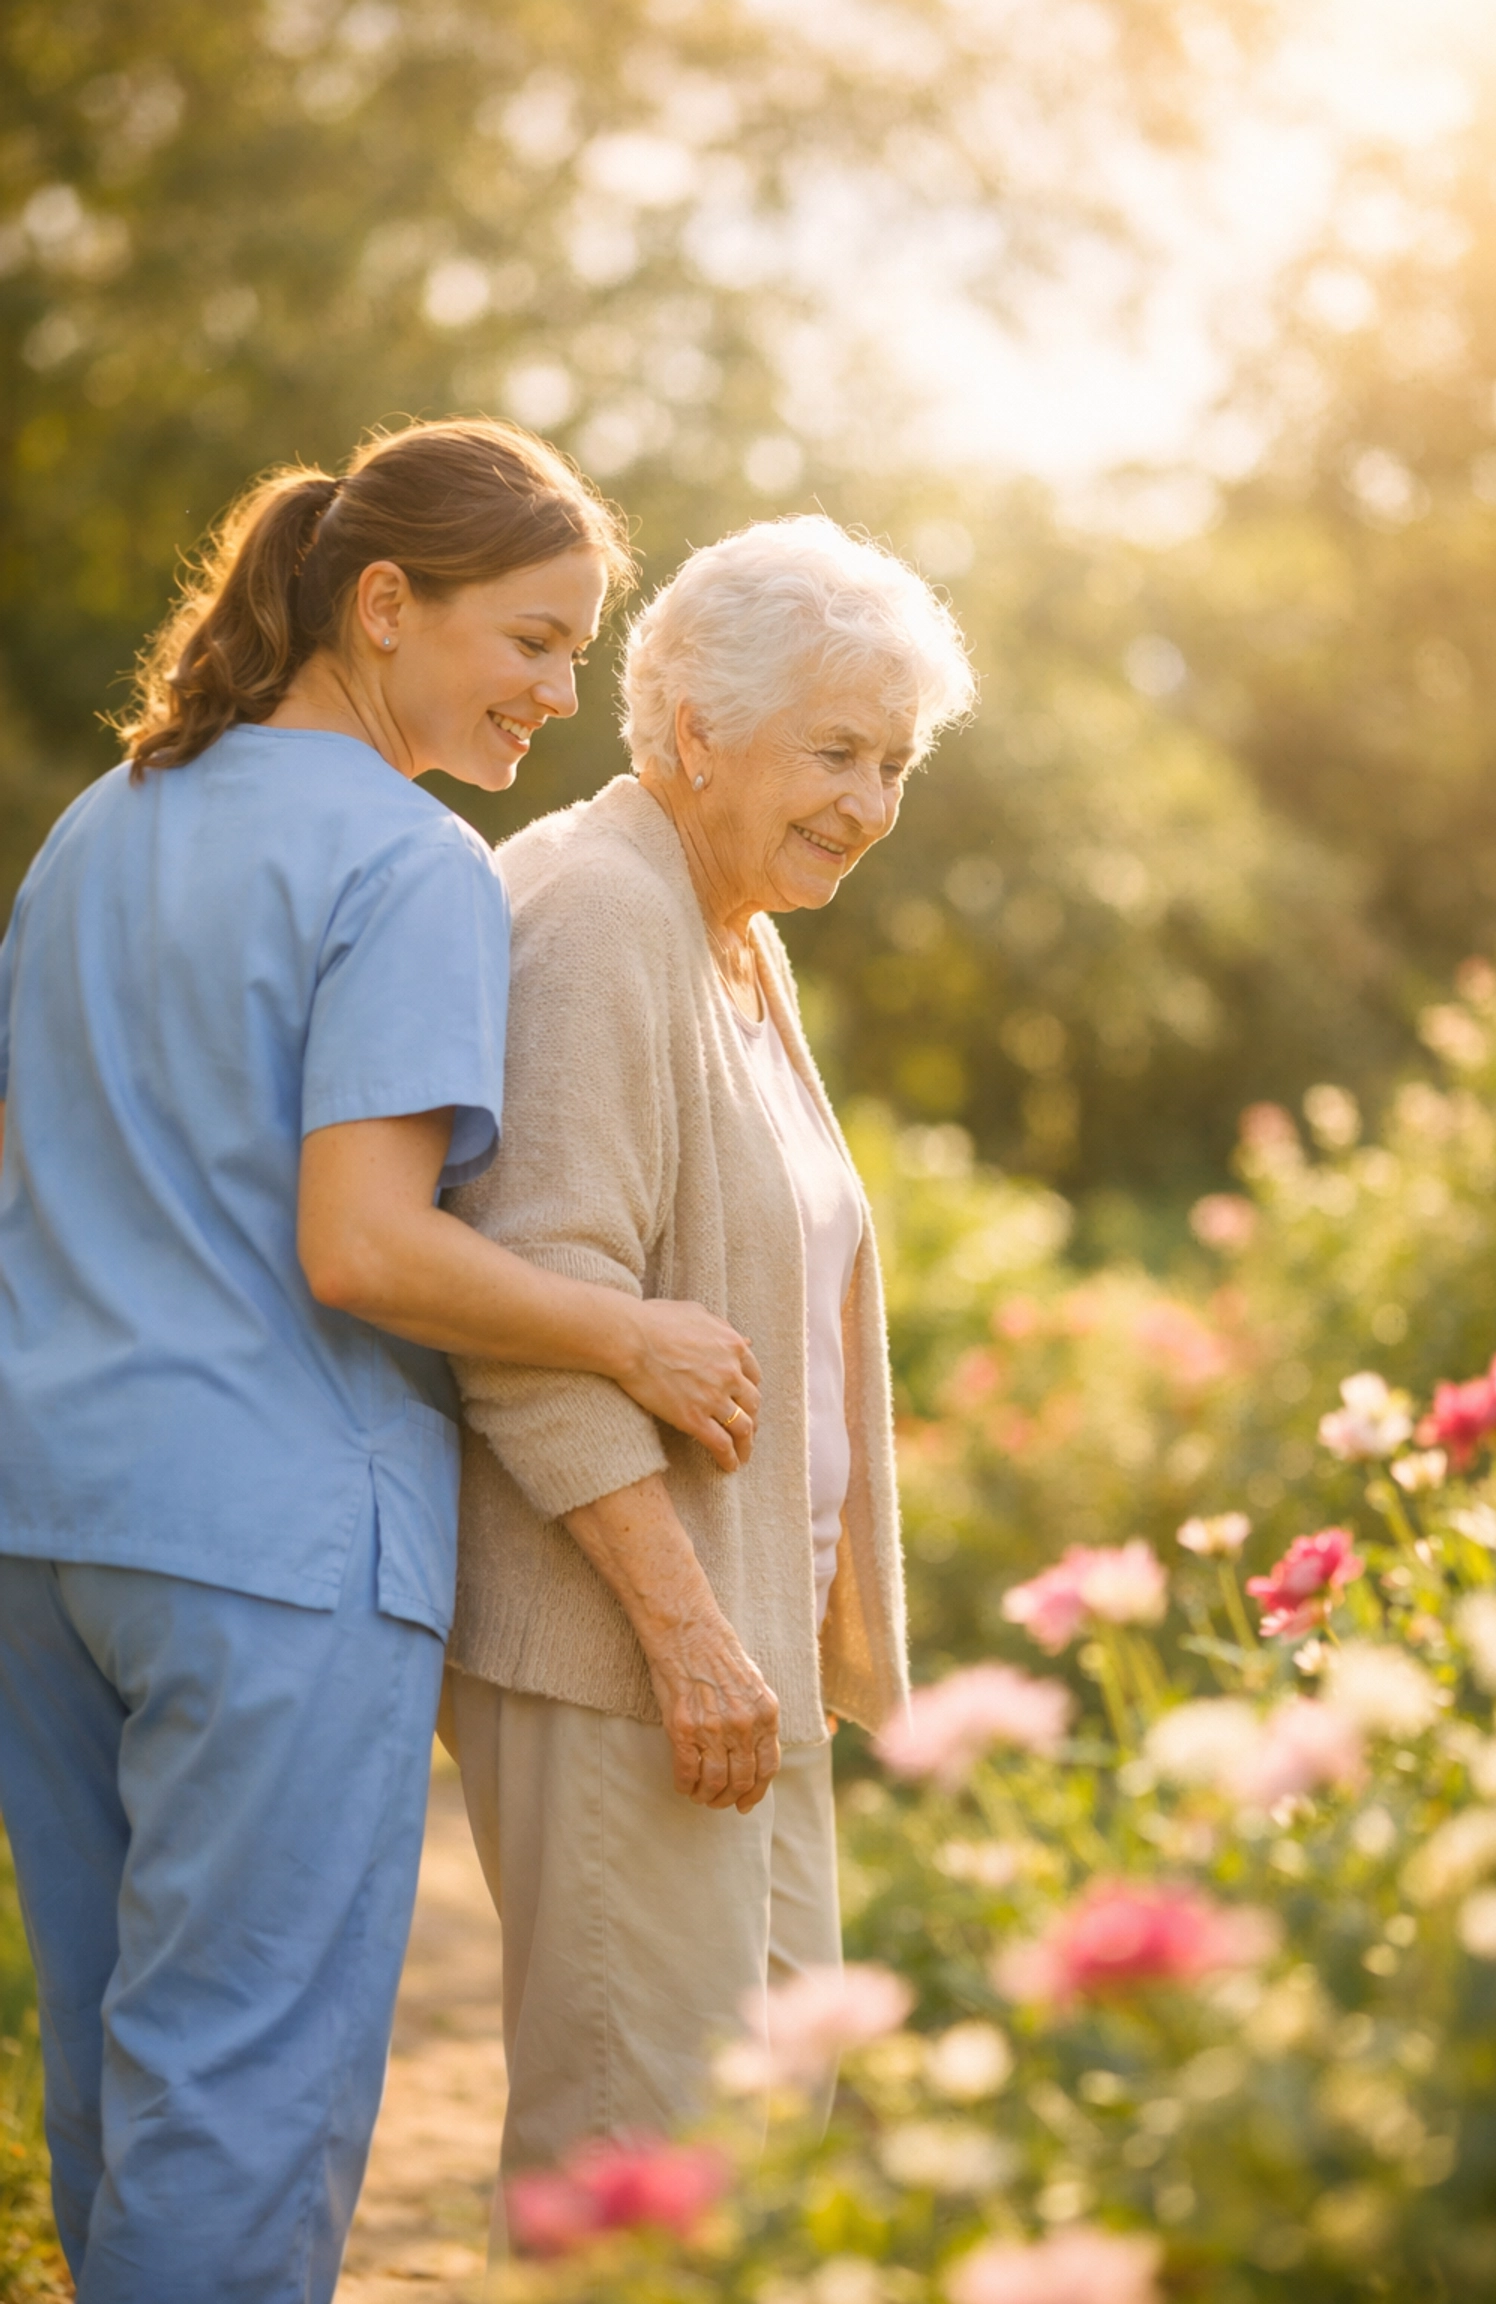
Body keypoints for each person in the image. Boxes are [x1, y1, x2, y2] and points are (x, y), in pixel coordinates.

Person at [0, 417, 761, 2304]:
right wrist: (633, 1331)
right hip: (273, 1548)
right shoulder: (413, 862)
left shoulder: (103, 822)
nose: (557, 694)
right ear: (385, 602)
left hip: (47, 1521)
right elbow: (364, 1246)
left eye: (581, 653)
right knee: (247, 2091)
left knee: (114, 2068)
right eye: (531, 638)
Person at [441, 514, 976, 2175]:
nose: (869, 807)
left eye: (894, 764)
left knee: (763, 2146)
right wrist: (685, 1635)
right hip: (633, 1653)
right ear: (695, 731)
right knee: (638, 2162)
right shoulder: (600, 914)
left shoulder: (739, 937)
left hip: (746, 1649)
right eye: (835, 752)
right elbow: (524, 1302)